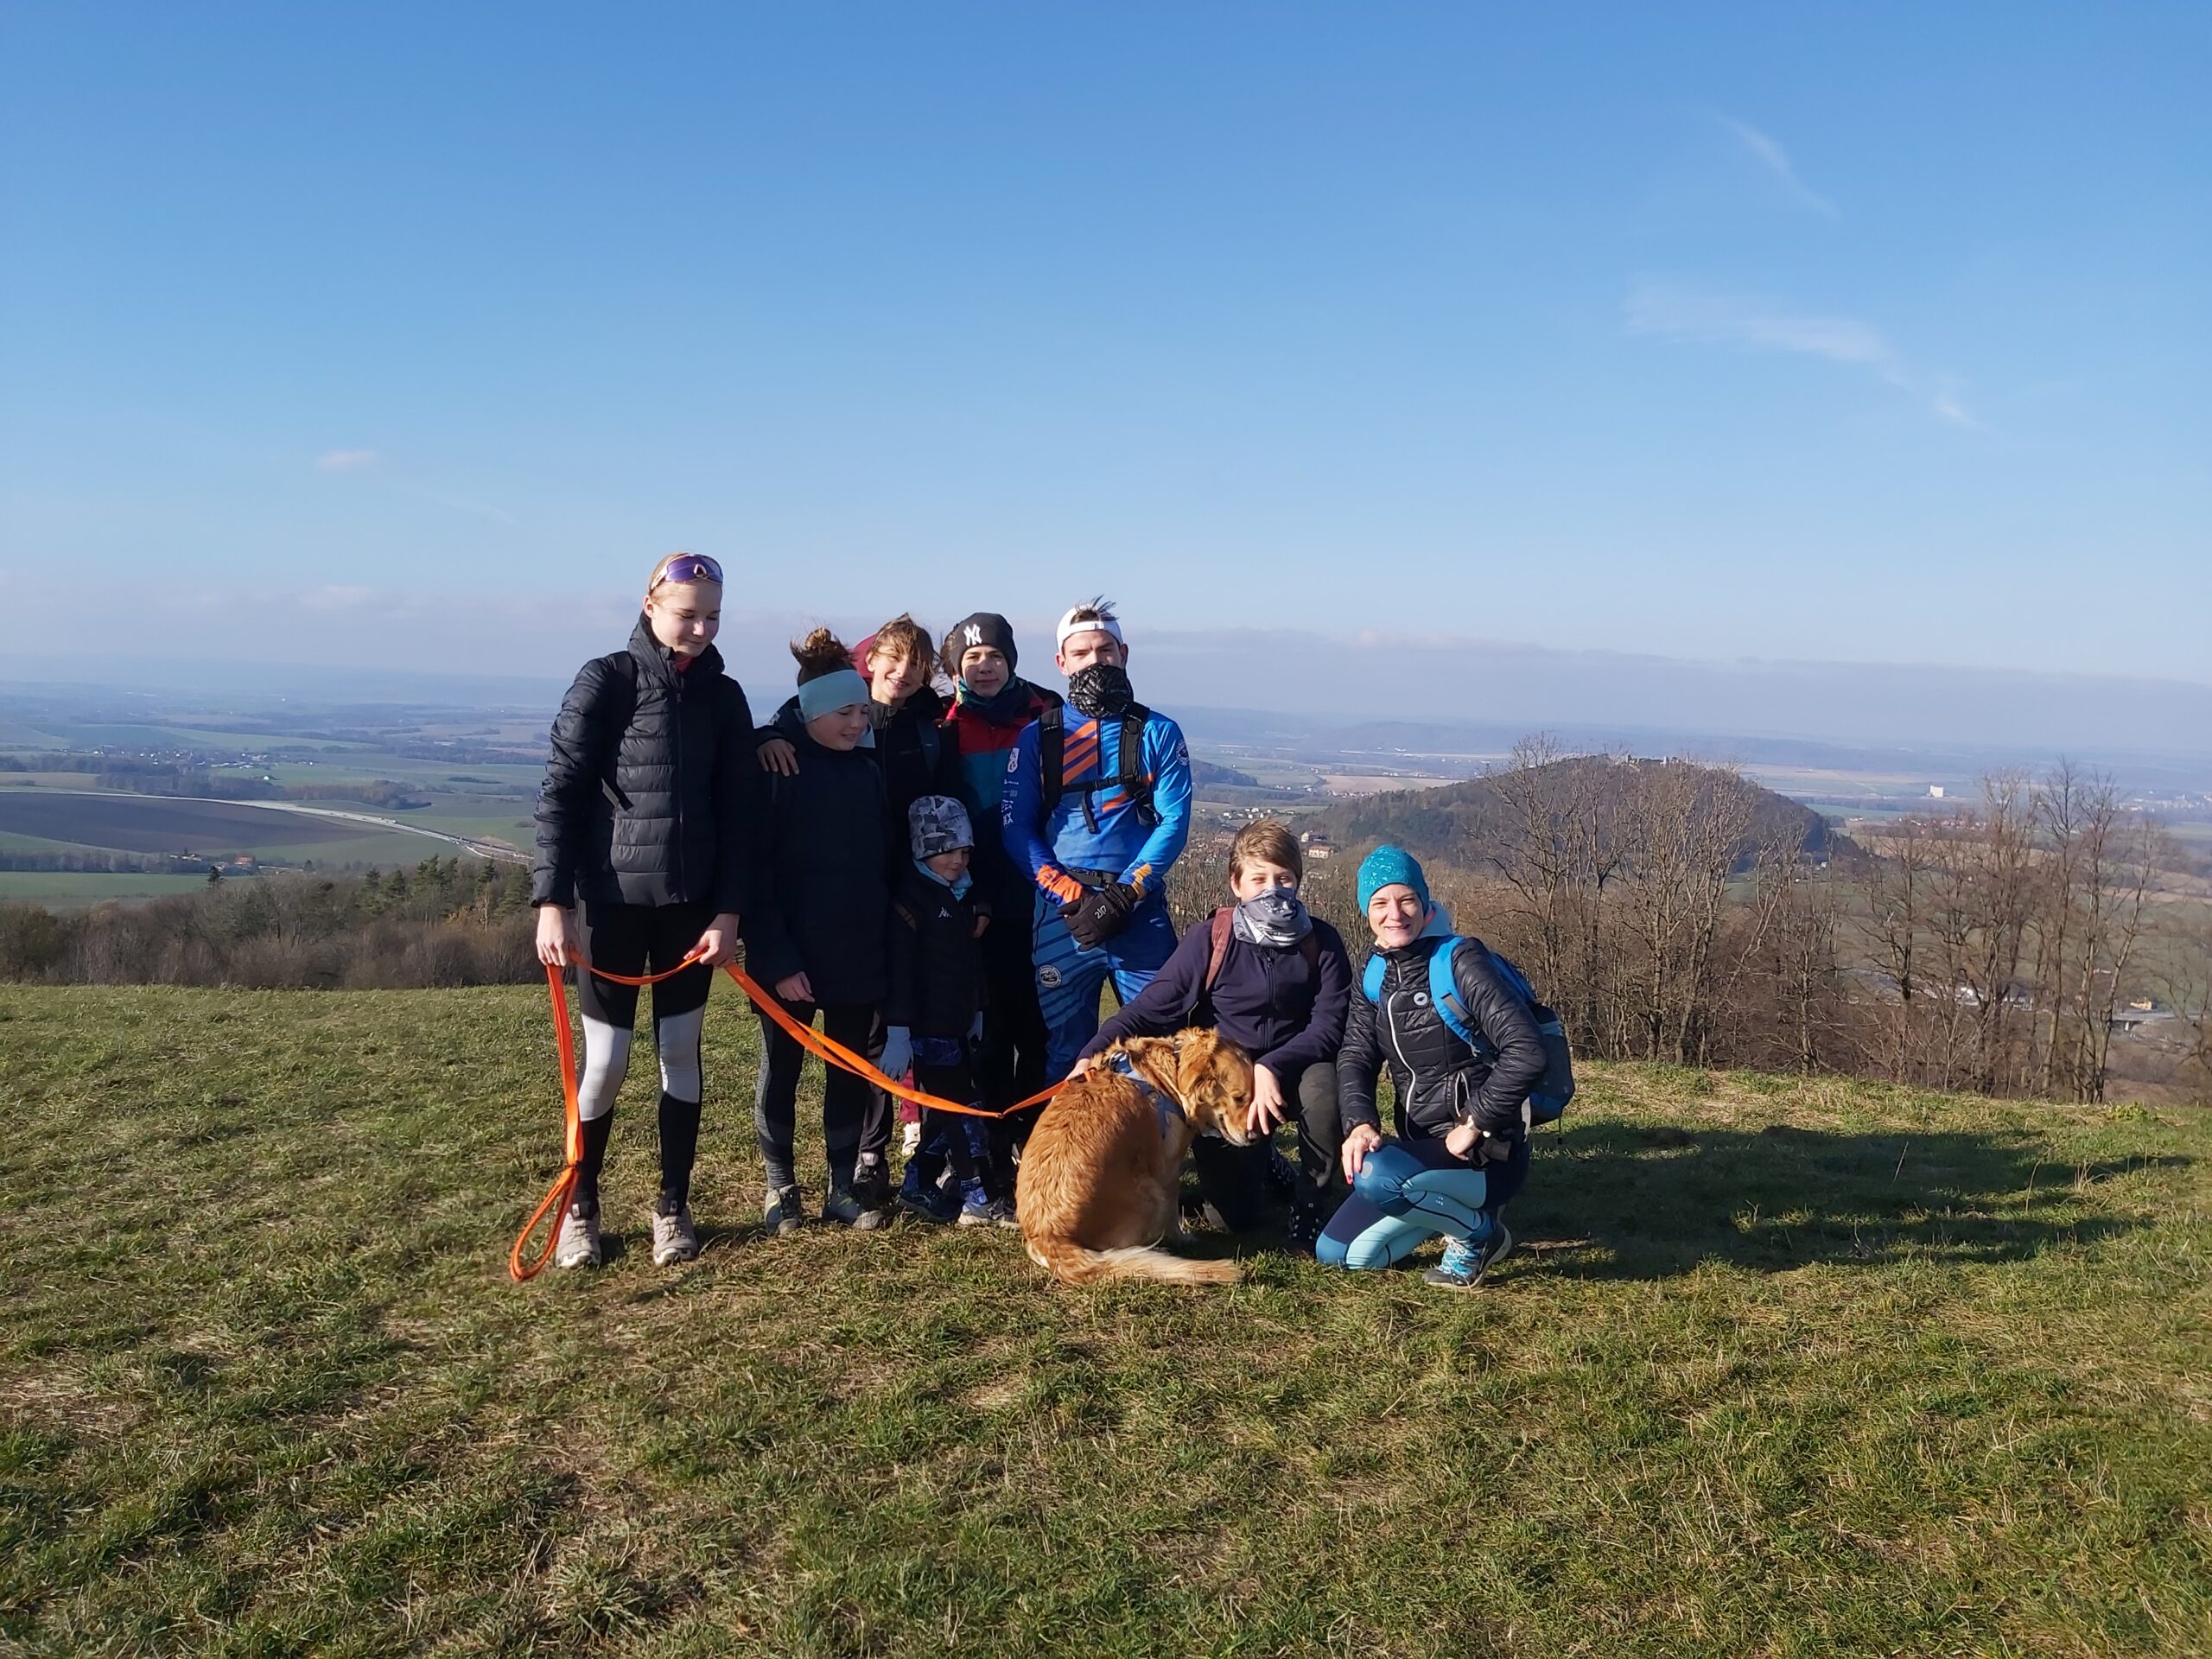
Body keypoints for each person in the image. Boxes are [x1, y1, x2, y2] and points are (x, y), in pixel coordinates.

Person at [531, 551, 759, 1271]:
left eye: (712, 616)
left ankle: (672, 1206)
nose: (701, 629)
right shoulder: (606, 681)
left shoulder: (725, 697)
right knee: (605, 1064)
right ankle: (581, 1206)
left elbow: (742, 815)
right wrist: (551, 902)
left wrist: (729, 914)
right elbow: (562, 794)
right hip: (610, 907)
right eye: (688, 614)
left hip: (692, 913)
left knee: (679, 1057)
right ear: (650, 604)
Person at [1072, 819, 1351, 1248]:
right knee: (1233, 1220)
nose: (1273, 890)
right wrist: (1091, 1054)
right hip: (1227, 1080)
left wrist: (1272, 1066)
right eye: (1259, 879)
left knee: (1323, 1091)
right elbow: (1150, 1008)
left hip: (1297, 1066)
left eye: (1283, 879)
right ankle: (1264, 1162)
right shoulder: (1212, 939)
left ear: (1298, 881)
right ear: (1236, 884)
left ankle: (1310, 1203)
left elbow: (1328, 1026)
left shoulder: (1323, 942)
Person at [1319, 846, 1546, 1289]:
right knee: (1339, 1254)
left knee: (1375, 1177)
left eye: (1406, 900)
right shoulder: (1374, 973)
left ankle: (1478, 1236)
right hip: (1422, 1151)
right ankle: (1445, 1209)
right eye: (1380, 903)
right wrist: (1359, 1123)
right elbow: (1356, 1055)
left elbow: (1526, 1050)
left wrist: (1474, 1123)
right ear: (1366, 911)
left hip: (1483, 1151)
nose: (1395, 914)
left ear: (1425, 904)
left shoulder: (1460, 960)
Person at [1002, 598, 1195, 1087]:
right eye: (1081, 652)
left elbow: (1174, 822)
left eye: (1105, 650)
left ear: (1123, 653)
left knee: (1157, 1053)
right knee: (1066, 1052)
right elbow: (1016, 829)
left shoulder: (1158, 733)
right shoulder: (1036, 739)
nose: (1095, 661)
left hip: (1139, 914)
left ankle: (1151, 1138)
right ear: (1061, 662)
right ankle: (1068, 1138)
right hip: (1061, 918)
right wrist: (1071, 896)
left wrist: (1125, 895)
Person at [744, 628, 897, 1233]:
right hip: (789, 959)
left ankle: (841, 1188)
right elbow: (756, 875)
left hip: (857, 954)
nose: (858, 723)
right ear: (810, 713)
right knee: (780, 1069)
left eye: (863, 710)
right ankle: (780, 1188)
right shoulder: (777, 769)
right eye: (844, 713)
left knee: (849, 1071)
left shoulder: (868, 771)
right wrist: (779, 960)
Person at [938, 612, 1058, 1119]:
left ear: (1010, 660)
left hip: (1037, 890)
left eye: (994, 655)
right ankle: (991, 1130)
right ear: (956, 667)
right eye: (972, 657)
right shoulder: (942, 720)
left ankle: (1031, 1128)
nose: (984, 666)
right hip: (971, 892)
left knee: (1037, 1022)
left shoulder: (1047, 712)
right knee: (987, 1025)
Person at [883, 795, 1019, 1228]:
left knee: (947, 1112)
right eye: (947, 851)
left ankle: (917, 1182)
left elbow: (969, 963)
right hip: (926, 1029)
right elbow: (900, 973)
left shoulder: (959, 898)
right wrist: (898, 1030)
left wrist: (977, 1010)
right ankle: (979, 1197)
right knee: (965, 1114)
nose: (958, 860)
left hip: (957, 1025)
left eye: (964, 851)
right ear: (923, 850)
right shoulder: (911, 903)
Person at [756, 612, 959, 824]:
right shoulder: (837, 712)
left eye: (915, 663)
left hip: (899, 845)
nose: (903, 670)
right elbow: (798, 713)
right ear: (871, 660)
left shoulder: (932, 729)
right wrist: (768, 736)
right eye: (894, 657)